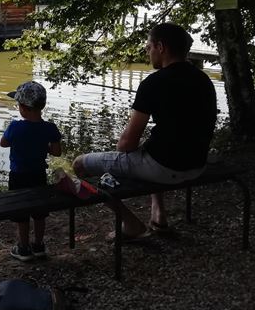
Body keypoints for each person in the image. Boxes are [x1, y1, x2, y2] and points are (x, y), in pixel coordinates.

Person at [73, 22, 217, 239]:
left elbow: (126, 145)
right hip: (197, 164)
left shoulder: (153, 83)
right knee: (150, 150)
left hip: (165, 168)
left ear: (160, 47)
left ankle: (130, 224)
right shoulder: (203, 79)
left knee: (80, 164)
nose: (147, 52)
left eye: (148, 47)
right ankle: (159, 215)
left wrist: (121, 147)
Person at [1, 81, 62, 261]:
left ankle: (24, 248)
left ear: (23, 108)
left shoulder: (15, 127)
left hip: (18, 176)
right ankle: (39, 245)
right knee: (39, 212)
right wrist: (44, 147)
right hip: (38, 175)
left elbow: (3, 143)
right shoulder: (50, 128)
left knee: (21, 213)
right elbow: (57, 152)